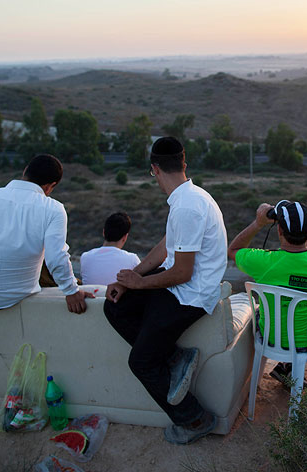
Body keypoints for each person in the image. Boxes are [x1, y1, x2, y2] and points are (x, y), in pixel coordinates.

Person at [104, 137, 227, 445]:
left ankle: (195, 419)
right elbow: (166, 247)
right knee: (116, 306)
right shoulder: (187, 197)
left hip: (191, 295)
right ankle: (174, 357)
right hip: (180, 285)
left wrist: (141, 283)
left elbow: (182, 273)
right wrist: (132, 276)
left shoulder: (187, 206)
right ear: (183, 165)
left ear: (154, 169)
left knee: (141, 362)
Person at [0, 154, 93, 371]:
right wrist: (70, 291)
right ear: (51, 186)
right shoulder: (54, 209)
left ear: (25, 171)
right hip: (24, 291)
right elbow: (57, 256)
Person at [228, 200, 307, 387]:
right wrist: (304, 222)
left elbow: (233, 249)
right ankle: (290, 367)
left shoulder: (263, 261)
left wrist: (258, 223)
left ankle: (285, 365)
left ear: (279, 231)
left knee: (263, 310)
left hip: (273, 337)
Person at [80, 212, 140, 285]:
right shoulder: (133, 259)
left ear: (103, 232)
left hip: (93, 295)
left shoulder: (85, 257)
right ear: (125, 237)